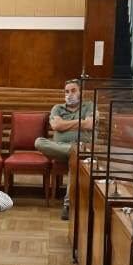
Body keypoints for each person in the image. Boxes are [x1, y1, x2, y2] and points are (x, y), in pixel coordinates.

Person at [35, 79, 94, 220]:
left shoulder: (89, 106)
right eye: (67, 91)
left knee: (75, 160)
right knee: (39, 142)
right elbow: (56, 126)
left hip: (83, 147)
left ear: (80, 92)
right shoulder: (57, 108)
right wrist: (80, 123)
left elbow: (90, 125)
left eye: (73, 90)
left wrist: (64, 124)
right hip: (60, 148)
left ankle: (67, 205)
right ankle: (74, 152)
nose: (70, 94)